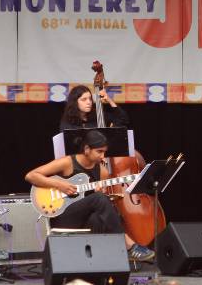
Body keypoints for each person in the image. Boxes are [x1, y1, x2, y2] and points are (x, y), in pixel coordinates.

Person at [24, 130, 155, 262]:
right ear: (87, 149)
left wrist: (100, 193)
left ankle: (99, 262)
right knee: (99, 199)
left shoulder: (102, 172)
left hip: (86, 221)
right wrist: (59, 184)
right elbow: (31, 176)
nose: (103, 157)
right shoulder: (67, 162)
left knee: (100, 215)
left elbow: (99, 204)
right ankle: (128, 245)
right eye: (99, 151)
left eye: (104, 152)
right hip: (62, 215)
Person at [60, 85, 129, 131]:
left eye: (90, 99)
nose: (89, 102)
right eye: (84, 99)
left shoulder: (98, 116)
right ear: (74, 102)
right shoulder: (67, 122)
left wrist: (109, 100)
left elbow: (123, 119)